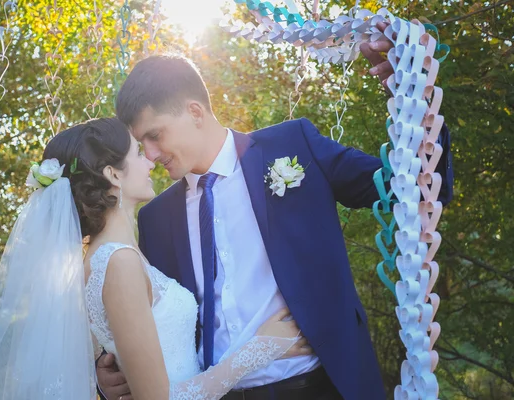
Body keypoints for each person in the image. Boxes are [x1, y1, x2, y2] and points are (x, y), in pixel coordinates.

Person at [96, 29, 453, 400]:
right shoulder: (154, 219)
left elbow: (419, 190)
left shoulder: (293, 146)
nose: (150, 155)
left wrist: (411, 94)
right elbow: (152, 311)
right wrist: (108, 370)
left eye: (155, 135)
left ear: (195, 112)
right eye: (142, 144)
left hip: (321, 387)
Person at [0, 118, 312, 400]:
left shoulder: (109, 259)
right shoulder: (117, 262)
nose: (150, 160)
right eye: (137, 153)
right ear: (113, 174)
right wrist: (258, 349)